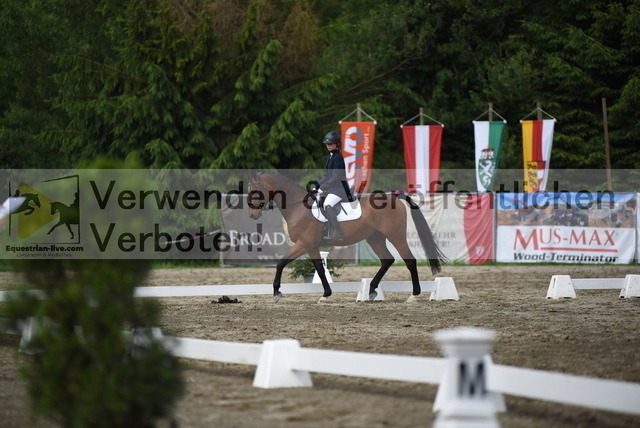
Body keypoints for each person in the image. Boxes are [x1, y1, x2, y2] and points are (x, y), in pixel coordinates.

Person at [315, 131, 351, 240]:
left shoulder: (338, 157)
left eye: (330, 144)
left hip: (340, 189)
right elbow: (326, 175)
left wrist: (322, 188)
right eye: (327, 144)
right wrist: (316, 186)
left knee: (327, 204)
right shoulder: (330, 157)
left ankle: (337, 232)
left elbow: (336, 177)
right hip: (332, 188)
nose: (328, 146)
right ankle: (325, 229)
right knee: (318, 201)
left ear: (337, 144)